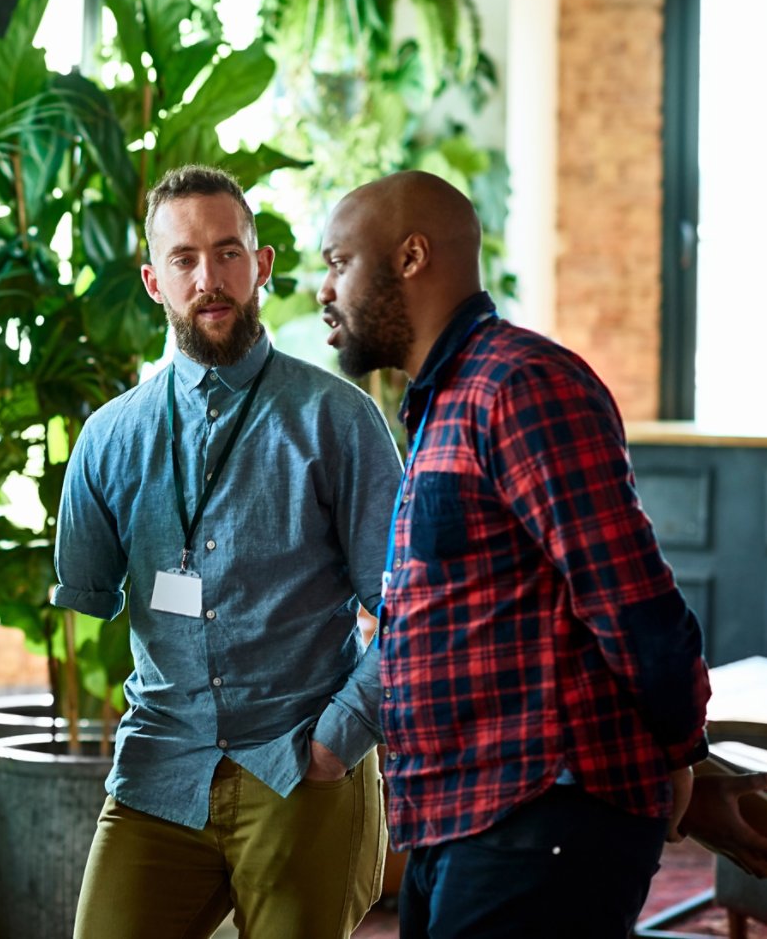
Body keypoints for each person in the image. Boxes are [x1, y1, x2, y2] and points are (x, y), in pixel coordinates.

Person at [316, 169, 713, 937]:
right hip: (461, 818)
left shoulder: (518, 384)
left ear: (411, 257)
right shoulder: (443, 403)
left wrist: (681, 746)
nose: (323, 291)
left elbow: (629, 596)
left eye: (338, 263)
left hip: (542, 814)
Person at [53, 165, 403, 939]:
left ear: (262, 265)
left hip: (302, 767)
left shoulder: (338, 421)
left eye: (227, 253)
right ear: (153, 280)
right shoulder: (109, 438)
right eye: (183, 259)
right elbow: (84, 593)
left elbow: (413, 610)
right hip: (159, 771)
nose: (208, 278)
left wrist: (339, 739)